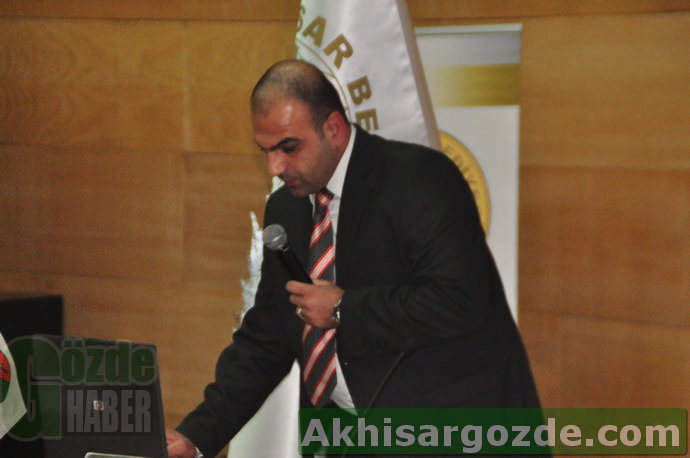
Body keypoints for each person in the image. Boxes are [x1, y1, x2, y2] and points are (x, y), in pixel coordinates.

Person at [166, 59, 541, 458]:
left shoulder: (419, 179)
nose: (275, 167)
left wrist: (345, 308)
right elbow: (267, 337)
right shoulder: (286, 208)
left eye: (289, 148)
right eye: (266, 151)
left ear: (334, 129)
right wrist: (198, 436)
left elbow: (462, 302)